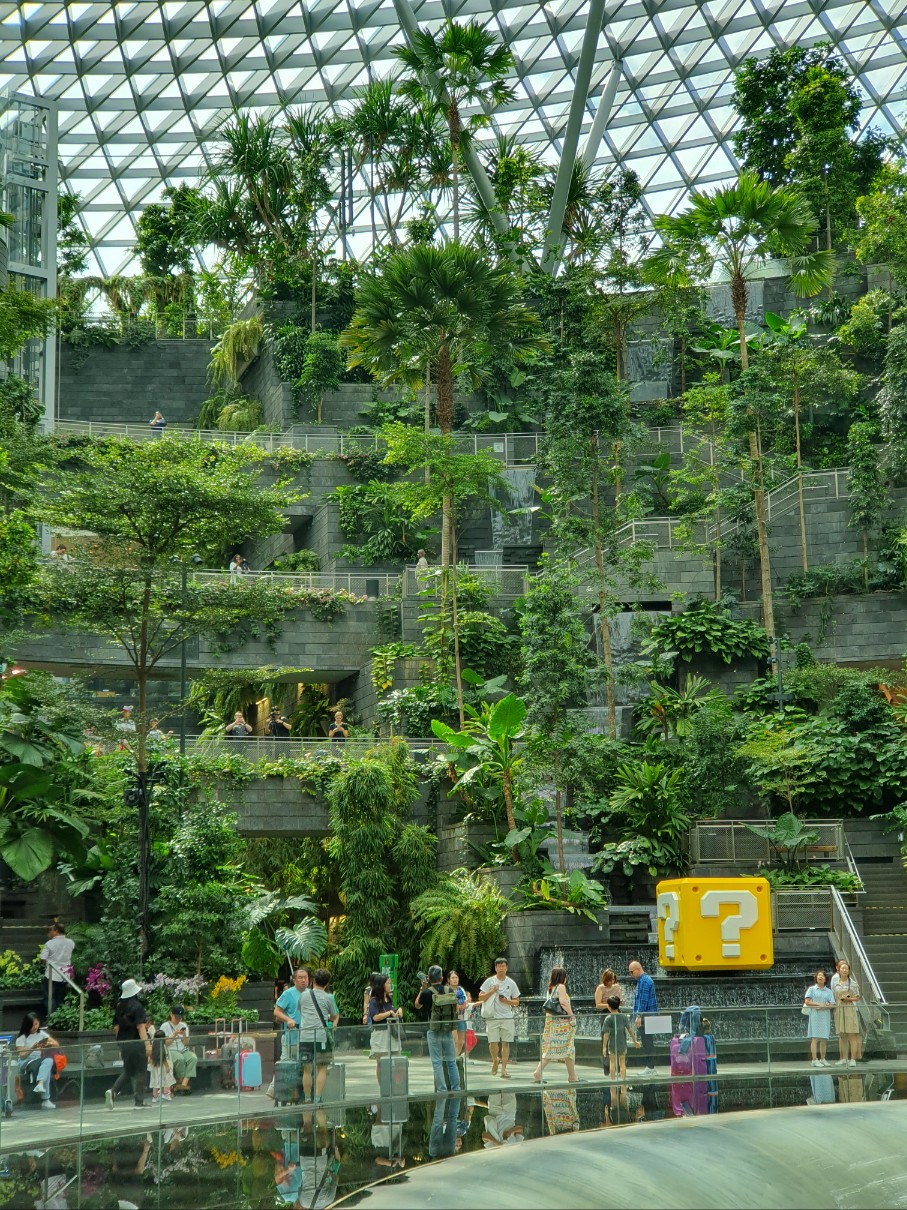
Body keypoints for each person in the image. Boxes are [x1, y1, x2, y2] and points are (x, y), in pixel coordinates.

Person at [106, 978, 151, 1109]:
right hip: (136, 1043)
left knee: (128, 1070)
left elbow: (116, 1028)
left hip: (124, 1043)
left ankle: (113, 1091)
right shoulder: (138, 1006)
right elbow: (140, 1027)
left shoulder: (119, 1006)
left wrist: (120, 1043)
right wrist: (147, 1044)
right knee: (141, 1070)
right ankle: (139, 1102)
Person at [297, 968, 340, 1103]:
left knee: (307, 1069)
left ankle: (308, 1098)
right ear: (327, 983)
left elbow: (300, 1009)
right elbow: (333, 1016)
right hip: (321, 1037)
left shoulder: (303, 995)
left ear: (313, 980)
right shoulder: (328, 998)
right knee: (322, 1067)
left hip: (304, 1037)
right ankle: (317, 1098)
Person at [416, 966, 461, 1092]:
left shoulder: (426, 993)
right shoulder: (450, 991)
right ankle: (456, 1088)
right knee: (451, 1062)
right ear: (442, 978)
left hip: (434, 1030)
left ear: (428, 978)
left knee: (437, 1063)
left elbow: (417, 1005)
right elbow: (456, 1009)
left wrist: (422, 989)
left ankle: (441, 1090)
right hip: (447, 1030)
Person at [532, 966, 579, 1084]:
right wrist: (571, 1015)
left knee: (565, 1048)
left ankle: (572, 1076)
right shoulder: (561, 987)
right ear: (563, 977)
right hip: (562, 1023)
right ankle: (538, 1072)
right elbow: (563, 1002)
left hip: (552, 1022)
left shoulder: (550, 988)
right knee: (563, 1047)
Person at [478, 958, 520, 1079]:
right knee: (493, 1043)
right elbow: (480, 997)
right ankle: (495, 1060)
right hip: (492, 1017)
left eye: (503, 966)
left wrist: (506, 1001)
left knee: (506, 1043)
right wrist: (492, 991)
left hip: (507, 1017)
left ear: (506, 968)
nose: (501, 968)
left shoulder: (511, 983)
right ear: (495, 968)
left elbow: (517, 1002)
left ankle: (504, 1070)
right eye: (499, 966)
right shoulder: (489, 981)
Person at [15, 1012, 60, 1111]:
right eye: (32, 1025)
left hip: (39, 1061)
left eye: (36, 1024)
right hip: (26, 1062)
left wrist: (47, 1044)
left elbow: (56, 1044)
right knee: (47, 1063)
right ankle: (45, 1099)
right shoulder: (21, 1038)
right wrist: (33, 1048)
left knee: (48, 1062)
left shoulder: (41, 1034)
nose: (35, 1027)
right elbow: (22, 1056)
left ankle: (40, 1084)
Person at [367, 973, 402, 1076]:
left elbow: (392, 1010)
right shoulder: (374, 1001)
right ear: (381, 985)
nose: (389, 985)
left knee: (394, 1061)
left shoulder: (388, 999)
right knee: (381, 1063)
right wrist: (389, 1013)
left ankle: (392, 1087)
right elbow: (375, 1017)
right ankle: (383, 1087)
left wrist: (398, 1010)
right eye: (387, 983)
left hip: (392, 1033)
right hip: (380, 1035)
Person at [629, 960, 659, 1075]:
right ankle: (650, 1066)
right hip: (647, 1017)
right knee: (647, 1042)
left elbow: (643, 1000)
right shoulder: (643, 980)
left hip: (646, 1017)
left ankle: (651, 1067)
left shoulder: (645, 981)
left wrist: (638, 1016)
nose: (631, 975)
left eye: (632, 972)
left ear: (637, 969)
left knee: (647, 1042)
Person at [160, 1005, 197, 1094]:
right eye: (176, 1017)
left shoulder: (183, 1025)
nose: (178, 1020)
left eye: (180, 1018)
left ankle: (184, 1084)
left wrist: (184, 1035)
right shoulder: (165, 1026)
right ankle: (179, 1083)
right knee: (180, 1059)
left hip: (182, 1049)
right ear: (171, 1015)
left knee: (193, 1058)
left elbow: (185, 1043)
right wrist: (175, 1034)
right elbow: (165, 1043)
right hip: (171, 1049)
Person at [601, 994, 639, 1081]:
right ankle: (623, 1080)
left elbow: (606, 1034)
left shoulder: (608, 1018)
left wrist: (604, 1047)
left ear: (609, 1007)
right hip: (622, 1042)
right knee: (622, 1063)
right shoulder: (623, 1016)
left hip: (612, 1043)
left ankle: (613, 1080)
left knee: (612, 1063)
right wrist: (634, 1041)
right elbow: (630, 1030)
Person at [39, 921, 74, 1014]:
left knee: (50, 998)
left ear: (56, 931)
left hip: (52, 975)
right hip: (65, 975)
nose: (50, 932)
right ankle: (59, 1019)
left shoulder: (49, 944)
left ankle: (51, 1018)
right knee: (60, 998)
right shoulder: (70, 942)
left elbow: (42, 958)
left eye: (51, 930)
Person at [834, 960, 862, 1068]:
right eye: (842, 968)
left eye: (846, 968)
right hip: (839, 1009)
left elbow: (857, 997)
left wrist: (848, 998)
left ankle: (852, 1059)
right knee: (842, 1035)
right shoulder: (836, 983)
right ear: (839, 970)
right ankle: (843, 1058)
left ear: (849, 970)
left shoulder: (853, 983)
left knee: (852, 1034)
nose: (844, 970)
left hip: (849, 1009)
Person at [804, 970, 835, 1067]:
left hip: (825, 1016)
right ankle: (814, 1059)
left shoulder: (829, 991)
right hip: (815, 1016)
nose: (820, 977)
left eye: (822, 976)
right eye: (819, 976)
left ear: (825, 979)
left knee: (824, 1039)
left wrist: (827, 1005)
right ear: (816, 978)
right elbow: (807, 1002)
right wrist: (819, 1004)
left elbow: (833, 1004)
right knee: (815, 1038)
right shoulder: (812, 989)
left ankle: (823, 1058)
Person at [147, 1021, 175, 1104]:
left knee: (155, 1082)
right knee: (165, 1081)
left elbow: (150, 1058)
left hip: (154, 1067)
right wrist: (168, 1067)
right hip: (162, 1067)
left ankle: (155, 1096)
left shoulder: (153, 1046)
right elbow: (164, 1059)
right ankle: (165, 1093)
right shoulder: (162, 1047)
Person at [448, 970, 471, 1059]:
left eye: (456, 978)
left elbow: (465, 1001)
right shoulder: (447, 990)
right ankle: (453, 1060)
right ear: (449, 979)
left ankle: (456, 1058)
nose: (455, 980)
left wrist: (465, 1005)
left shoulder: (460, 989)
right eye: (453, 978)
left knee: (461, 1041)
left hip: (461, 1017)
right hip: (452, 1018)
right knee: (455, 1041)